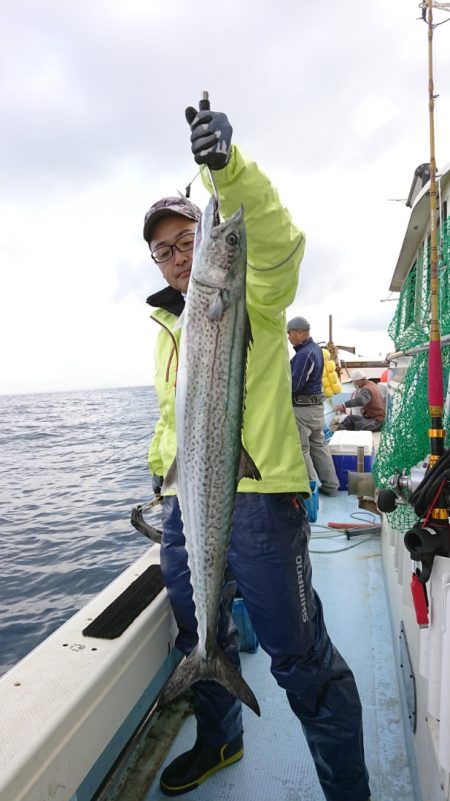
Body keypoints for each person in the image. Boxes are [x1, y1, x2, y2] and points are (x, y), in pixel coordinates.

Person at [144, 102, 371, 801]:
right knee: (196, 627)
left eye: (188, 241)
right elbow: (172, 419)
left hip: (262, 503)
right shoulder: (169, 324)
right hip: (190, 504)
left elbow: (275, 242)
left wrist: (228, 170)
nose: (180, 258)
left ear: (206, 236)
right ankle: (221, 738)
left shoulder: (255, 299)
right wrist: (161, 472)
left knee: (303, 661)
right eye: (165, 251)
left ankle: (348, 791)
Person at [287, 317, 340, 497]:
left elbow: (294, 385)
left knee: (302, 449)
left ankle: (310, 492)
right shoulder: (316, 350)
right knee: (319, 446)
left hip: (303, 410)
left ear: (301, 332)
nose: (289, 337)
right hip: (317, 408)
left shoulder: (303, 354)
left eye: (291, 333)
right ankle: (332, 486)